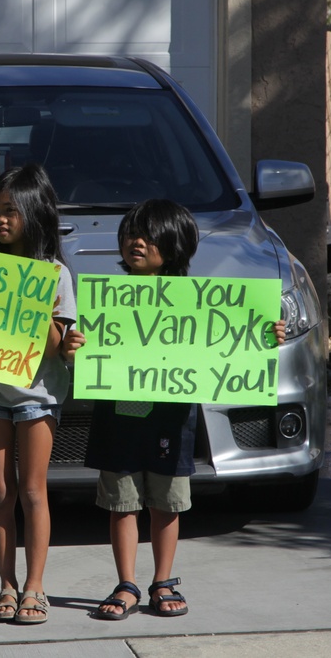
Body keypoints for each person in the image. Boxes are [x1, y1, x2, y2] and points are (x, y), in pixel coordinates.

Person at [62, 198, 286, 621]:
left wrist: (263, 336)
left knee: (167, 503)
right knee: (121, 503)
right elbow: (81, 356)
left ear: (176, 245)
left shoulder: (198, 302)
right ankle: (126, 583)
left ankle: (162, 580)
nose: (135, 242)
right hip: (118, 419)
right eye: (129, 234)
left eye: (147, 235)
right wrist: (73, 348)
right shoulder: (107, 301)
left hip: (170, 419)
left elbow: (233, 343)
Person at [0, 163, 75, 625]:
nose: (1, 219)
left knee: (33, 490)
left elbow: (57, 349)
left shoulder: (55, 274)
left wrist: (32, 297)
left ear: (35, 214)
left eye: (11, 210)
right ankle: (6, 585)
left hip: (37, 395)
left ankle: (35, 586)